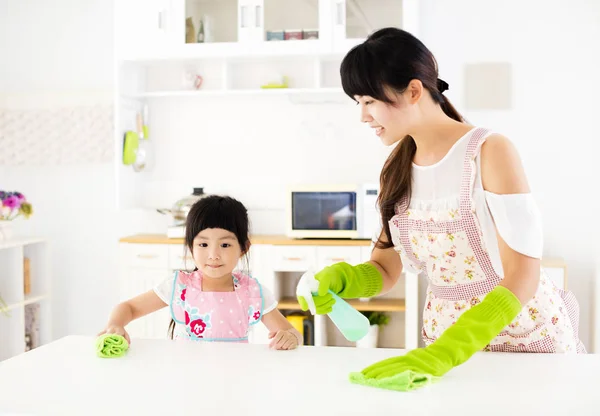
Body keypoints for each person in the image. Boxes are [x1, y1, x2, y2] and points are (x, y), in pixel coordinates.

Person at [296, 27, 585, 390]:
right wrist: (342, 279)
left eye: (369, 101)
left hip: (521, 341)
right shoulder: (395, 169)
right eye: (359, 102)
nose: (363, 116)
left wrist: (449, 351)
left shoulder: (489, 151)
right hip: (445, 341)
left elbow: (523, 275)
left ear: (414, 91)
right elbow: (385, 269)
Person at [100, 195, 302, 350]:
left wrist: (290, 338)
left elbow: (290, 332)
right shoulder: (179, 286)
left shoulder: (252, 292)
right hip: (187, 380)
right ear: (191, 247)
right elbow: (129, 307)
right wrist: (115, 325)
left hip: (235, 380)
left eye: (224, 244)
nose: (213, 255)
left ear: (243, 248)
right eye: (203, 244)